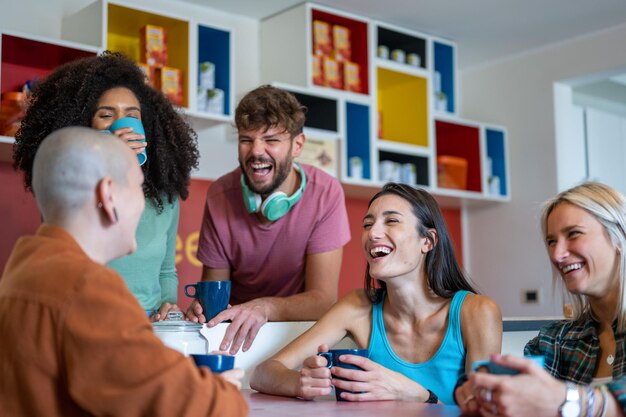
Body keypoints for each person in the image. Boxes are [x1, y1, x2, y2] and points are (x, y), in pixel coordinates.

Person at [0, 127, 247, 416]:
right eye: (138, 187)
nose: (143, 206)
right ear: (107, 194)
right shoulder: (87, 288)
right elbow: (200, 408)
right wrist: (220, 391)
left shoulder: (23, 269)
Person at [249, 183, 502, 404]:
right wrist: (301, 384)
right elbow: (264, 373)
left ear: (428, 241)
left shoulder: (477, 312)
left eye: (391, 221)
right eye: (368, 224)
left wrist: (422, 396)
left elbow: (485, 411)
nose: (372, 233)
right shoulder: (358, 306)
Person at [13, 52, 199, 321]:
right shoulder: (73, 189)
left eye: (131, 116)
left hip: (148, 323)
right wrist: (108, 157)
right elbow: (68, 261)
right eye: (106, 115)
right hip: (92, 315)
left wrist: (168, 309)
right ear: (83, 124)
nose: (121, 124)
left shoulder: (165, 195)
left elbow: (166, 271)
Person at [187, 85, 351, 354]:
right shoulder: (220, 195)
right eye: (246, 139)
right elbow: (216, 295)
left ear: (297, 145)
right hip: (237, 336)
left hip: (298, 335)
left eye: (271, 140)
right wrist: (204, 310)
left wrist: (264, 307)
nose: (256, 151)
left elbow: (323, 301)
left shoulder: (326, 193)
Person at [465, 181, 626, 417]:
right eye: (551, 242)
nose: (557, 254)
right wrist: (489, 398)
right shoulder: (553, 342)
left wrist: (571, 401)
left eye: (574, 234)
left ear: (619, 235)